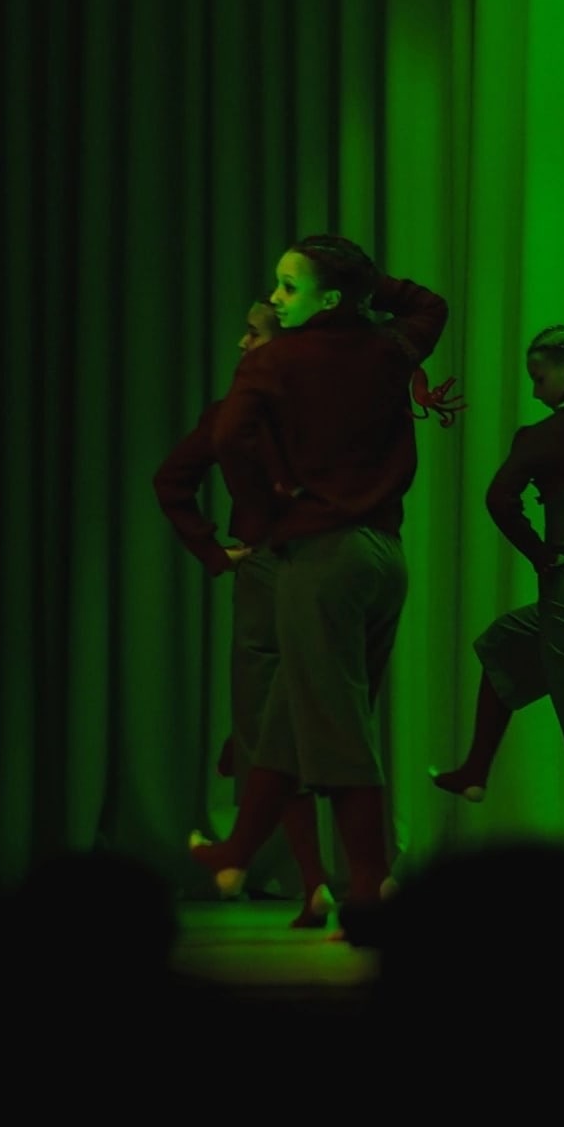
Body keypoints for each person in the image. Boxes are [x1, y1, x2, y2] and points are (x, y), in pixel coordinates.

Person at [185, 236, 449, 930]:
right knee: (293, 713)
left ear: (329, 299)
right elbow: (429, 305)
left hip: (322, 556)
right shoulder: (389, 349)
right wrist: (365, 285)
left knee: (335, 723)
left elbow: (228, 438)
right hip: (383, 556)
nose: (274, 299)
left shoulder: (273, 362)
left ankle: (368, 879)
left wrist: (265, 509)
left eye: (289, 286)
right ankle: (239, 848)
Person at [431, 326, 564, 884]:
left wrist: (538, 554)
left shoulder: (541, 436)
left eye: (540, 376)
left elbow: (498, 499)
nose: (534, 389)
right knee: (503, 643)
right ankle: (475, 770)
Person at [154, 301, 334, 927]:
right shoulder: (330, 413)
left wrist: (215, 549)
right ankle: (338, 877)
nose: (240, 343)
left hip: (270, 570)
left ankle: (312, 880)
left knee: (267, 729)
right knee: (322, 724)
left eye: (252, 334)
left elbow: (171, 480)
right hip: (329, 571)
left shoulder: (236, 415)